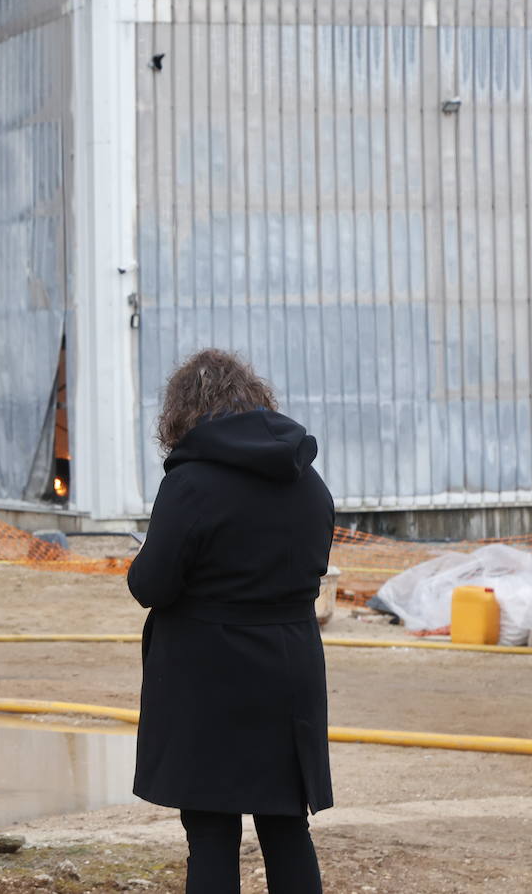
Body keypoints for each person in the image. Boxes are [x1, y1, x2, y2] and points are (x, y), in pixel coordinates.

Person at [127, 349, 335, 894]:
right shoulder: (308, 480)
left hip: (208, 676)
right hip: (290, 669)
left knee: (212, 831)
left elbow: (152, 585)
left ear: (182, 412)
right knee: (288, 826)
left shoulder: (192, 483)